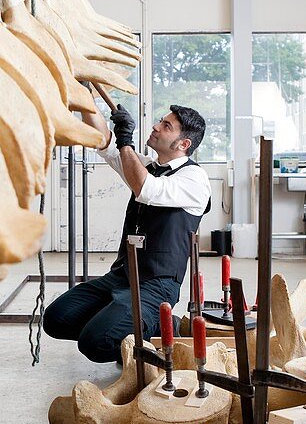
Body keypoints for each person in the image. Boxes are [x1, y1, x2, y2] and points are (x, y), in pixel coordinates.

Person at [43, 99, 211, 363]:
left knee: (95, 343)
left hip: (157, 284)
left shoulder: (194, 179)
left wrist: (126, 140)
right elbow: (105, 143)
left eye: (166, 126)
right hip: (123, 274)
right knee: (56, 319)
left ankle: (158, 327)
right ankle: (129, 330)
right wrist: (84, 98)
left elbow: (146, 189)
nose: (156, 126)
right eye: (160, 121)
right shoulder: (149, 168)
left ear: (183, 144)